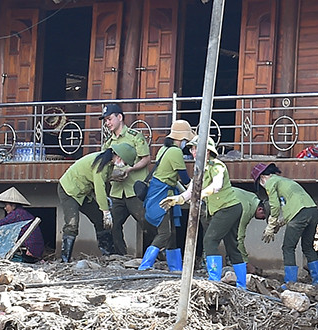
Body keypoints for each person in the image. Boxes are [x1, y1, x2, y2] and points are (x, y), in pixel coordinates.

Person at [161, 138, 247, 288]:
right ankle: (242, 285)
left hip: (228, 208)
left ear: (207, 151)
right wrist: (177, 199)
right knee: (232, 247)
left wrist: (200, 194)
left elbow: (217, 185)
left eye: (196, 149)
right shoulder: (200, 169)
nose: (193, 152)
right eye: (192, 149)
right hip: (226, 209)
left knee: (210, 240)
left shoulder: (217, 166)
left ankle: (214, 280)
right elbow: (190, 192)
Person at [56, 142, 134, 262]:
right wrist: (106, 211)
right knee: (72, 224)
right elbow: (99, 188)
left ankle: (107, 255)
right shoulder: (101, 164)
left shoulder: (107, 162)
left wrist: (112, 177)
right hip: (69, 190)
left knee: (100, 220)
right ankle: (64, 259)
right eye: (125, 162)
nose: (124, 165)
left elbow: (100, 182)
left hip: (84, 192)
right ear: (119, 156)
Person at [138, 120, 196, 272]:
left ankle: (175, 268)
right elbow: (184, 178)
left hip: (161, 191)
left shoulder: (163, 149)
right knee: (165, 233)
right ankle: (145, 265)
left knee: (172, 233)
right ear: (182, 138)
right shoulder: (175, 152)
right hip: (162, 194)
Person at [253, 162, 318, 285]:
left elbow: (275, 206)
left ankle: (290, 283)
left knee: (288, 248)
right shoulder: (285, 181)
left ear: (262, 177)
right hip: (312, 210)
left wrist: (271, 225)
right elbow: (290, 207)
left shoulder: (270, 182)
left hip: (299, 213)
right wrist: (280, 223)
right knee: (308, 247)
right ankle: (317, 282)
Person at [101, 103, 154, 258]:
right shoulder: (108, 143)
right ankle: (121, 256)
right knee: (113, 225)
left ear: (120, 117)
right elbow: (104, 166)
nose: (107, 123)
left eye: (109, 119)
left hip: (134, 190)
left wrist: (130, 169)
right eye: (105, 120)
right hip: (117, 191)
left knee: (147, 223)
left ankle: (158, 254)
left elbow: (146, 159)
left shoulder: (135, 136)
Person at [0, 187, 46, 262]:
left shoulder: (16, 214)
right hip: (36, 249)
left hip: (31, 249)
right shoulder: (21, 213)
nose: (5, 208)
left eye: (6, 205)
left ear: (13, 205)